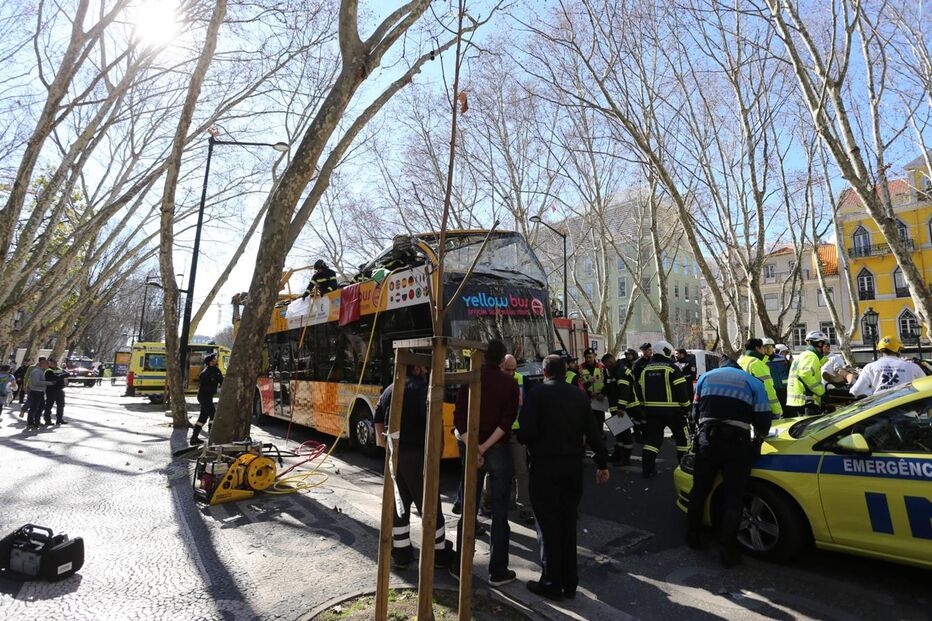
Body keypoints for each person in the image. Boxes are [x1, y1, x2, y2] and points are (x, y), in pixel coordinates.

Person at [518, 354, 610, 600]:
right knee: (568, 523)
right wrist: (602, 463)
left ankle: (551, 581)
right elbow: (593, 432)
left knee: (548, 526)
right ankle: (570, 582)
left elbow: (525, 433)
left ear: (545, 372)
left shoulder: (536, 394)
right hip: (572, 468)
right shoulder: (579, 395)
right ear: (564, 370)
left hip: (545, 467)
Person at [686, 356, 772, 567]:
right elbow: (763, 418)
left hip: (707, 440)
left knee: (699, 490)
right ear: (738, 367)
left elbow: (695, 411)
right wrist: (760, 436)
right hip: (737, 443)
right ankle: (727, 551)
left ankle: (692, 538)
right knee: (733, 497)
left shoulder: (705, 377)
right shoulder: (752, 382)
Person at [451, 339, 519, 586]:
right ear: (502, 360)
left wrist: (474, 447)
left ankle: (460, 567)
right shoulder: (510, 384)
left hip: (471, 449)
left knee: (468, 508)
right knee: (500, 512)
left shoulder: (468, 380)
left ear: (481, 356)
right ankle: (498, 571)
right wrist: (485, 447)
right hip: (498, 449)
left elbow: (459, 417)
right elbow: (506, 422)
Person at [373, 363, 453, 569]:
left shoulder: (390, 389)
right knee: (430, 505)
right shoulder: (422, 391)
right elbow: (433, 424)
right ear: (416, 368)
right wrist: (437, 455)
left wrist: (386, 446)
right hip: (418, 455)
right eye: (424, 368)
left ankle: (401, 552)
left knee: (400, 505)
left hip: (394, 455)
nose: (426, 370)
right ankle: (439, 552)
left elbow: (378, 418)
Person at [638, 340, 691, 478]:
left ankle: (647, 470)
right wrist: (687, 407)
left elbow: (639, 390)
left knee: (652, 441)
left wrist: (644, 408)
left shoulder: (645, 370)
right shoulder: (672, 368)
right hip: (673, 411)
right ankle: (684, 469)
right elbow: (682, 390)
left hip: (651, 412)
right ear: (666, 351)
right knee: (683, 440)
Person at [501, 354, 533, 524]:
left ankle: (524, 506)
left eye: (514, 370)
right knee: (495, 469)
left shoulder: (522, 379)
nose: (512, 373)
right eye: (508, 370)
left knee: (521, 470)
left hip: (516, 433)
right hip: (498, 434)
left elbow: (532, 399)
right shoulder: (495, 380)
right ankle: (488, 502)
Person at [849, 335, 925, 397]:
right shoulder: (913, 367)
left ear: (880, 351)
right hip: (907, 409)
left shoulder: (870, 367)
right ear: (898, 350)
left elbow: (856, 391)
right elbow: (927, 387)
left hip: (881, 410)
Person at [601, 353, 641, 466]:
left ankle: (626, 458)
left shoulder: (620, 371)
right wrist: (602, 393)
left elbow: (624, 390)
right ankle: (618, 455)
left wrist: (621, 407)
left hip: (626, 407)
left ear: (610, 362)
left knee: (624, 433)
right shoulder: (614, 370)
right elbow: (610, 386)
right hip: (617, 407)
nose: (605, 367)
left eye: (606, 365)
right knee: (619, 432)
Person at [785, 331, 830, 417]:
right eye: (826, 344)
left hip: (798, 400)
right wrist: (821, 391)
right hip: (807, 400)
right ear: (820, 344)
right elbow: (805, 374)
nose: (828, 347)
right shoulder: (811, 356)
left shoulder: (803, 355)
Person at [738, 338, 783, 418]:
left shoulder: (740, 361)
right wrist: (777, 410)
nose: (765, 350)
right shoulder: (756, 363)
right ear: (757, 348)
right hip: (760, 408)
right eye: (763, 347)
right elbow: (768, 388)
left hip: (744, 404)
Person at [190, 353, 223, 445]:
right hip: (203, 397)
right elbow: (204, 387)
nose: (216, 359)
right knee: (213, 414)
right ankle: (211, 437)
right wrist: (216, 390)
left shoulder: (217, 370)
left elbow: (222, 381)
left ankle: (194, 438)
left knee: (203, 417)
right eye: (215, 359)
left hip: (208, 397)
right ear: (210, 362)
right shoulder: (205, 373)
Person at [578, 347, 609, 437]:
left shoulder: (602, 367)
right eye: (586, 357)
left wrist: (602, 394)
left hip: (600, 399)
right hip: (587, 399)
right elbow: (579, 385)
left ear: (595, 356)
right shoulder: (580, 368)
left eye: (590, 357)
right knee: (587, 419)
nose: (588, 359)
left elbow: (607, 382)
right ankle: (590, 437)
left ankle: (600, 435)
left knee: (600, 419)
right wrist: (589, 394)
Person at [25, 357, 52, 430]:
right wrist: (48, 383)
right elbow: (36, 382)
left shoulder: (41, 371)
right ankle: (30, 422)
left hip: (40, 392)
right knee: (34, 408)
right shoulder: (37, 371)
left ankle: (36, 421)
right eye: (47, 365)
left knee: (41, 407)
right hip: (36, 392)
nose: (48, 367)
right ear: (43, 364)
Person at [43, 357, 68, 425]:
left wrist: (59, 376)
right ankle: (47, 420)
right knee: (49, 405)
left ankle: (59, 419)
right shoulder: (48, 370)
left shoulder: (59, 369)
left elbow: (67, 374)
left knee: (61, 405)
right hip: (51, 390)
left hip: (60, 390)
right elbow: (54, 378)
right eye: (54, 362)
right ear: (50, 363)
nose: (56, 363)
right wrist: (60, 376)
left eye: (56, 362)